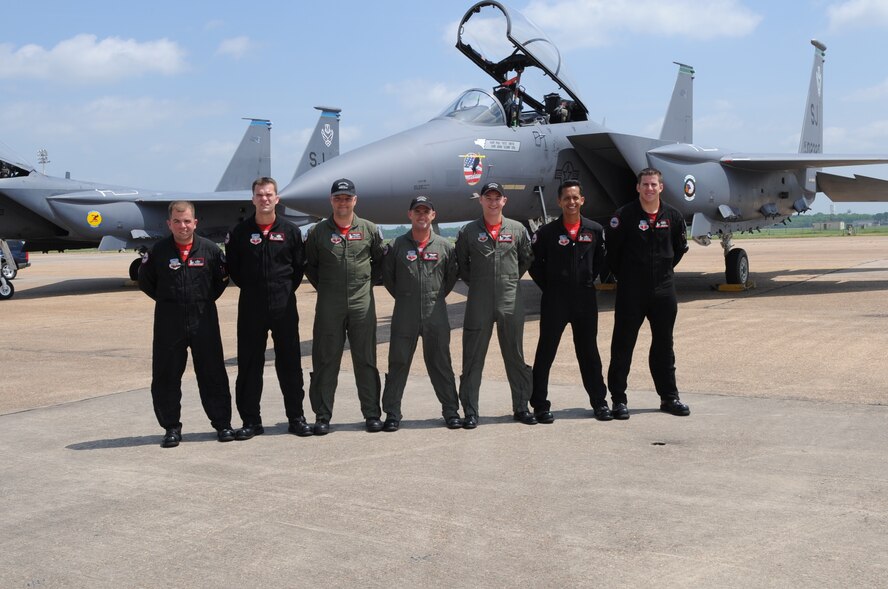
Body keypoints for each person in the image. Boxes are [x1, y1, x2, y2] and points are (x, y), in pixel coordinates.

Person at [138, 201, 234, 447]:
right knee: (166, 375)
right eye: (177, 221)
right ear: (169, 224)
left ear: (195, 223)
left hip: (204, 320)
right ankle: (171, 427)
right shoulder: (158, 252)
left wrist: (200, 300)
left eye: (187, 221)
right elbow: (146, 282)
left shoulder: (210, 250)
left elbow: (221, 280)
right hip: (169, 322)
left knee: (213, 373)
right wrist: (170, 301)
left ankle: (222, 424)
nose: (183, 226)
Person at [225, 177, 312, 439]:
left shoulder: (291, 231)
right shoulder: (240, 233)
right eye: (260, 195)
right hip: (251, 306)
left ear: (277, 199)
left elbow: (298, 269)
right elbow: (234, 270)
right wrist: (256, 288)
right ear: (253, 199)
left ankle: (296, 417)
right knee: (249, 364)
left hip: (283, 305)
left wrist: (280, 290)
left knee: (290, 362)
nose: (264, 199)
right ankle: (251, 421)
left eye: (269, 194)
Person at [605, 167, 690, 419]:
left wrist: (661, 272)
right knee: (623, 346)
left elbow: (678, 250)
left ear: (661, 187)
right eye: (645, 184)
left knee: (664, 346)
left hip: (664, 291)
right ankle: (618, 400)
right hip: (631, 292)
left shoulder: (673, 216)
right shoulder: (623, 216)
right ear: (638, 187)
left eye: (654, 184)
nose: (649, 189)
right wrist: (631, 276)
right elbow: (613, 254)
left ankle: (669, 397)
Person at [304, 178, 384, 435]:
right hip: (329, 304)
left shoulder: (370, 229)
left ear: (355, 200)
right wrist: (328, 289)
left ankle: (372, 413)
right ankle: (322, 415)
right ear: (331, 200)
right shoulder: (318, 232)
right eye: (338, 198)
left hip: (362, 303)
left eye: (347, 198)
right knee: (326, 358)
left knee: (366, 358)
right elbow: (311, 266)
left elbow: (380, 263)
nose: (343, 202)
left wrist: (364, 285)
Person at [529, 180, 611, 423]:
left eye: (575, 197)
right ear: (559, 201)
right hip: (555, 300)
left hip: (585, 299)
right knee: (546, 352)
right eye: (567, 198)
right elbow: (535, 265)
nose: (571, 202)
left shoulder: (594, 230)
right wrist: (551, 287)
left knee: (589, 352)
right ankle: (540, 405)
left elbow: (601, 261)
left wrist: (585, 280)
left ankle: (599, 402)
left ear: (582, 200)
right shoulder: (546, 233)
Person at [455, 181, 536, 428]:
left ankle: (521, 407)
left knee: (515, 355)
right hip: (478, 301)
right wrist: (481, 283)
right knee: (472, 357)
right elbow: (462, 265)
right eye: (488, 198)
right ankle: (470, 411)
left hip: (510, 300)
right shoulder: (468, 231)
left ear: (504, 201)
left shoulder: (517, 230)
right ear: (480, 200)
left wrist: (508, 280)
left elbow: (526, 259)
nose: (492, 202)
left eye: (497, 198)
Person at [380, 196, 462, 431]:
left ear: (433, 215)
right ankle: (392, 413)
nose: (422, 215)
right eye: (417, 211)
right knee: (398, 362)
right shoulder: (396, 246)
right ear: (410, 215)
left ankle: (451, 411)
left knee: (441, 362)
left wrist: (432, 296)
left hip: (435, 313)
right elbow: (389, 278)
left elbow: (450, 278)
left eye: (426, 211)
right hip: (404, 313)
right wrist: (407, 296)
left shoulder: (444, 247)